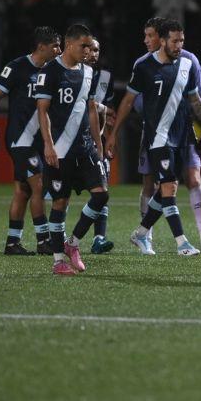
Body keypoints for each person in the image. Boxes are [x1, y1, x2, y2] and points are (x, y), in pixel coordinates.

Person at [106, 19, 201, 258]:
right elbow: (128, 101)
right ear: (163, 40)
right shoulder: (144, 66)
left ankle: (141, 233)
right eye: (174, 41)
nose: (179, 45)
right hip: (157, 136)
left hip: (182, 136)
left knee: (170, 187)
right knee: (165, 187)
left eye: (181, 41)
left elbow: (195, 98)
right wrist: (114, 133)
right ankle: (182, 243)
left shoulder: (187, 63)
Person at [0, 27, 61, 256]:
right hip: (21, 139)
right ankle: (44, 240)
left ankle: (12, 242)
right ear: (41, 47)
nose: (59, 50)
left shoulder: (53, 70)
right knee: (39, 186)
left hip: (40, 140)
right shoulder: (17, 67)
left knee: (23, 191)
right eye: (55, 46)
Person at [34, 24, 107, 276]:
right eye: (83, 46)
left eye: (90, 46)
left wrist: (98, 143)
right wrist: (48, 144)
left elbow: (91, 109)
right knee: (60, 202)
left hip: (85, 148)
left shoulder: (88, 72)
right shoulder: (50, 71)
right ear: (69, 44)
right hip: (60, 150)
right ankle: (58, 262)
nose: (87, 50)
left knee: (101, 195)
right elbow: (42, 110)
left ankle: (72, 243)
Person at [86, 37, 115, 254]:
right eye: (89, 49)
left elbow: (110, 112)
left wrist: (110, 140)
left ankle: (99, 238)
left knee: (102, 189)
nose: (93, 53)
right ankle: (59, 236)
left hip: (99, 141)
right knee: (63, 193)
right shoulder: (69, 73)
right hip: (72, 140)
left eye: (97, 50)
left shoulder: (106, 77)